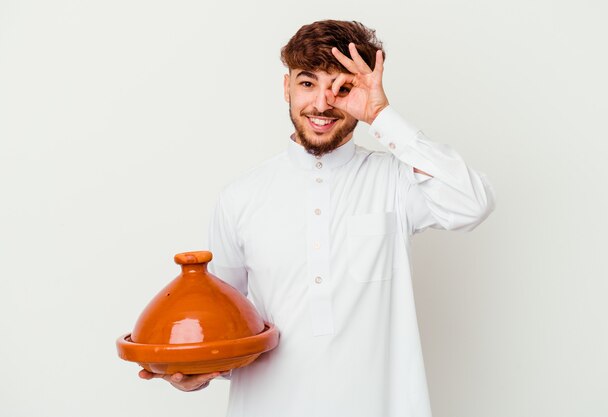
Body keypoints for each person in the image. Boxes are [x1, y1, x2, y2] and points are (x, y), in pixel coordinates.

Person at [140, 19, 495, 417]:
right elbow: (227, 328)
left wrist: (381, 116)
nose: (323, 104)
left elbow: (472, 203)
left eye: (341, 87)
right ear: (286, 86)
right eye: (308, 83)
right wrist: (197, 370)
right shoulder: (239, 198)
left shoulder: (396, 181)